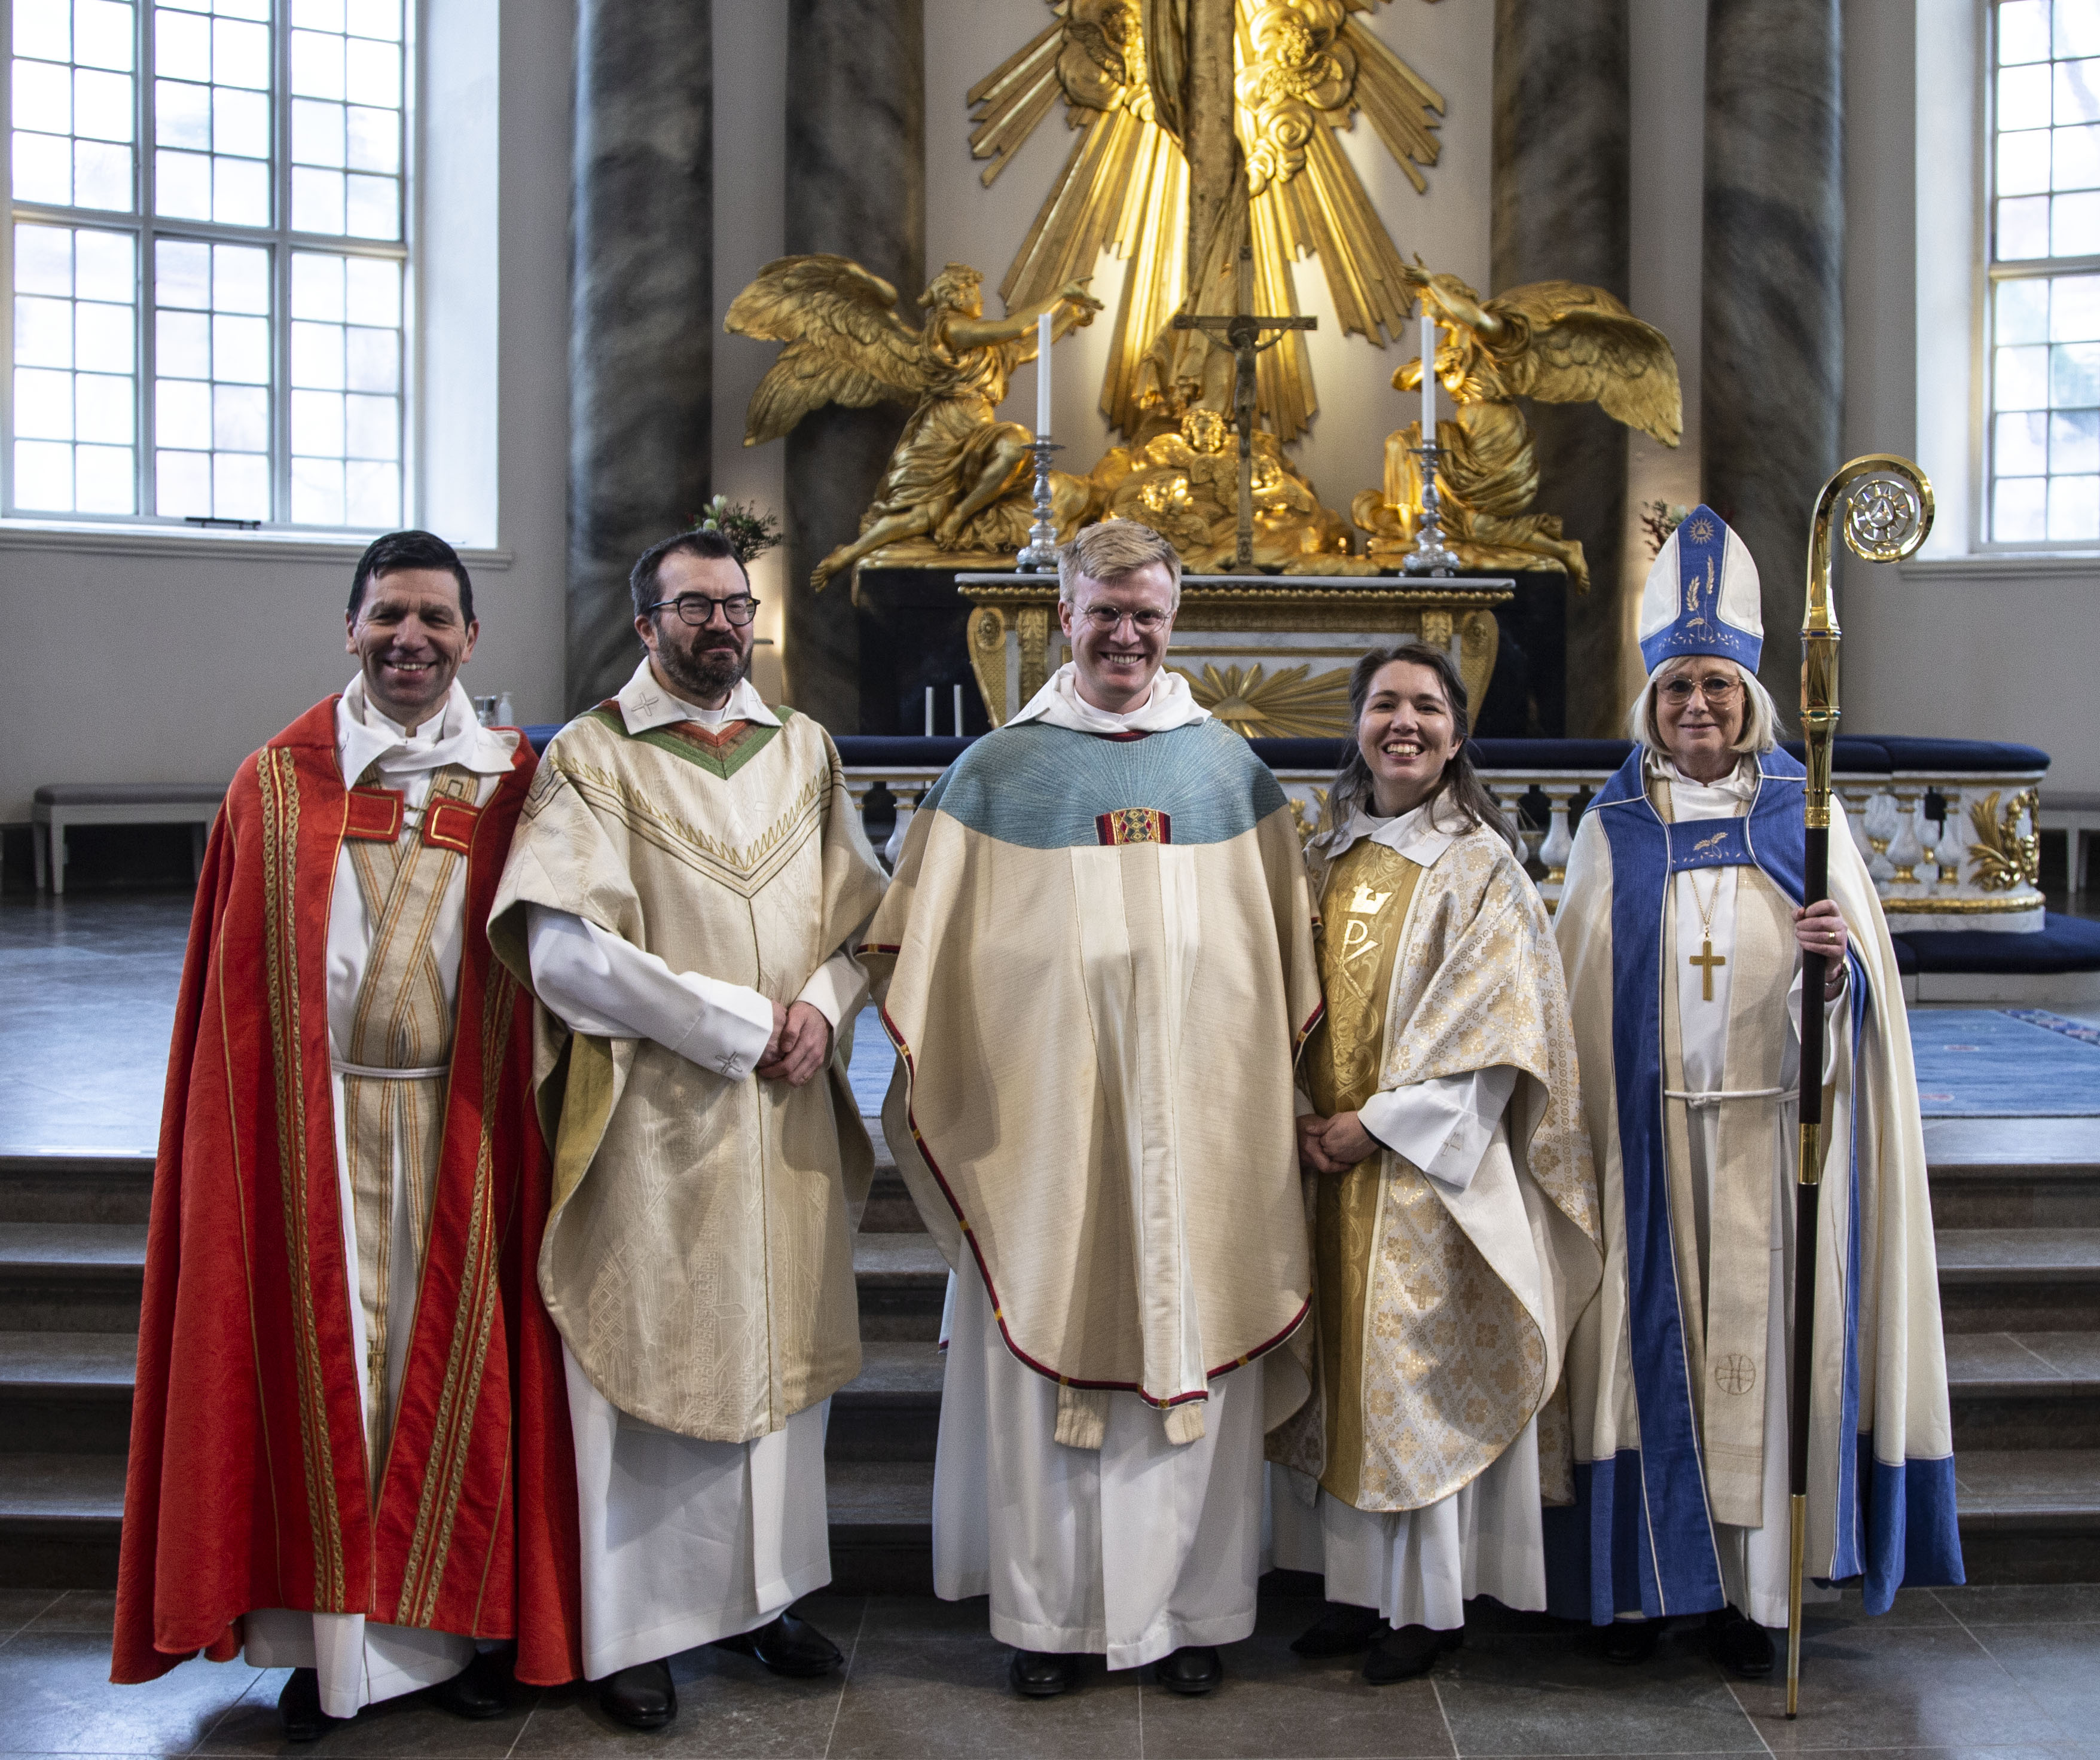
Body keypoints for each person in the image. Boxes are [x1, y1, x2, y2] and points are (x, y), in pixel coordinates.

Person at [114, 531, 581, 1738]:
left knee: (467, 1385)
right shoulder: (273, 784)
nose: (410, 638)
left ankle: (471, 1632)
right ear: (349, 628)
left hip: (463, 1133)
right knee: (326, 1384)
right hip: (309, 1140)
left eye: (434, 616)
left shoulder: (519, 779)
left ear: (473, 636)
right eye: (387, 616)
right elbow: (230, 1006)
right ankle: (330, 1653)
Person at [859, 518, 1322, 1699]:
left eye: (1146, 614)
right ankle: (1047, 1620)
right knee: (1042, 1368)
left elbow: (1288, 967)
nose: (1124, 633)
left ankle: (1194, 1610)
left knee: (1193, 1344)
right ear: (1064, 614)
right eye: (1102, 610)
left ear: (1174, 623)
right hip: (1041, 1137)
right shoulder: (998, 771)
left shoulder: (1230, 772)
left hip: (1197, 1138)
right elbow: (917, 953)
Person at [1548, 506, 1961, 1676]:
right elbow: (1579, 995)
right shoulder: (1613, 828)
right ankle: (1656, 1585)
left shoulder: (1806, 821)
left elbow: (1861, 1016)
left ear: (1751, 698)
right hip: (1654, 1145)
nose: (1696, 708)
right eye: (1676, 687)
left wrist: (1834, 971)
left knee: (1767, 1372)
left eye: (1716, 688)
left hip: (1775, 1146)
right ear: (1648, 702)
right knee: (1649, 1362)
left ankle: (1759, 1593)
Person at [487, 526, 889, 1730]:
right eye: (694, 605)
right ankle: (638, 1629)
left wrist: (820, 1007)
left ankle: (762, 1599)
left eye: (735, 604)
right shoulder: (594, 758)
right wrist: (738, 1023)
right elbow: (563, 948)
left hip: (785, 1117)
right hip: (657, 1117)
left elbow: (865, 913)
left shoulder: (802, 745)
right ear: (644, 622)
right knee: (649, 1356)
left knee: (775, 1359)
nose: (721, 623)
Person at [1271, 641, 1602, 1683]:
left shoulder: (1483, 868)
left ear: (1459, 735)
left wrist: (1375, 1124)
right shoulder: (1320, 854)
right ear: (1357, 727)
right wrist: (1293, 1112)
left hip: (1427, 1177)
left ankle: (1427, 1606)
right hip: (1318, 1169)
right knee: (1340, 1384)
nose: (1402, 724)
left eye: (1425, 707)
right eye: (1382, 705)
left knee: (1414, 1378)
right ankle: (1357, 1594)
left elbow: (1499, 1033)